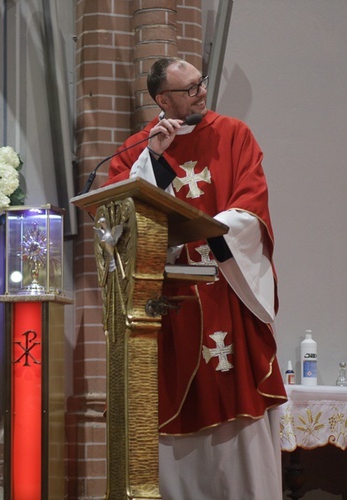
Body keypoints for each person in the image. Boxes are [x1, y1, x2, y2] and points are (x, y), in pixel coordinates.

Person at [106, 57, 287, 499]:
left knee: (236, 394)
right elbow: (124, 220)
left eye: (200, 84)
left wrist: (211, 230)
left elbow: (252, 202)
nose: (201, 93)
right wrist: (153, 158)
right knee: (168, 399)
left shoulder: (234, 135)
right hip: (171, 304)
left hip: (226, 291)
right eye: (188, 90)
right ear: (161, 100)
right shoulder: (136, 150)